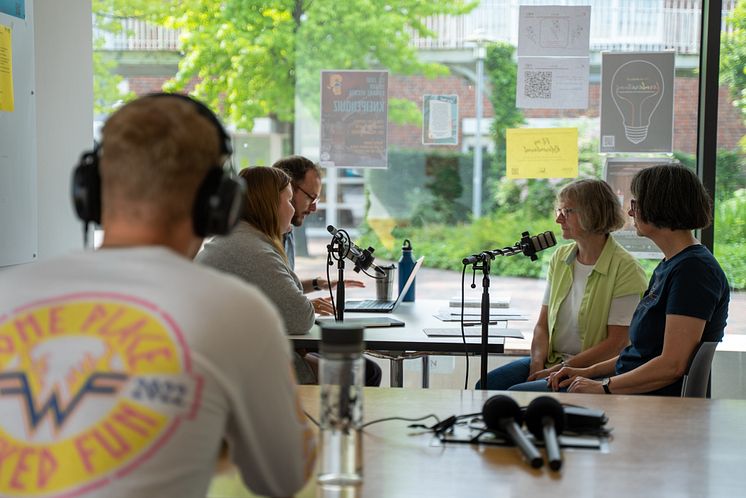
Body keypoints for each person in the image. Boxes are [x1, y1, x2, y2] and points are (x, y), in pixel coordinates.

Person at [0, 94, 315, 498]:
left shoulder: (8, 295)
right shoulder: (237, 312)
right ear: (217, 202)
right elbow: (283, 478)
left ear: (91, 191)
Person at [549, 164, 730, 396]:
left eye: (635, 204)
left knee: (522, 395)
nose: (631, 212)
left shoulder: (693, 272)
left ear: (660, 206)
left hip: (650, 401)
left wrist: (603, 387)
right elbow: (638, 354)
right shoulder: (672, 264)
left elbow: (672, 365)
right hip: (627, 389)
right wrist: (585, 370)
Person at [196, 166, 382, 386]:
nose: (293, 210)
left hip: (231, 359)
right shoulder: (255, 251)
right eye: (289, 201)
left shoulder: (239, 239)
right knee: (364, 372)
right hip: (249, 369)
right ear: (270, 204)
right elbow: (300, 319)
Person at [478, 179, 648, 391]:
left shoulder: (626, 268)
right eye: (559, 210)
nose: (558, 219)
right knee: (486, 385)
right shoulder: (560, 257)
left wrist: (558, 369)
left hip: (593, 372)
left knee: (516, 393)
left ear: (593, 213)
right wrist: (537, 364)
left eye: (567, 211)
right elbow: (542, 326)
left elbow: (616, 344)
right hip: (553, 362)